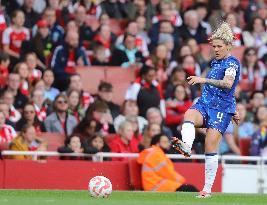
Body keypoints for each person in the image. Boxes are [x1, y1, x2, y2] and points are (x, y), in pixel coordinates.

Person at [172, 23, 241, 198]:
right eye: (214, 46)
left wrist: (202, 80)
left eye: (219, 46)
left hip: (220, 110)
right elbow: (230, 91)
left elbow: (227, 84)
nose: (216, 49)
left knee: (210, 146)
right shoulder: (215, 62)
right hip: (205, 104)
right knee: (188, 115)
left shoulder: (232, 63)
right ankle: (187, 146)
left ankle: (207, 190)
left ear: (228, 46)